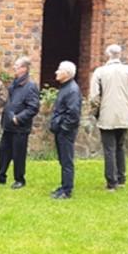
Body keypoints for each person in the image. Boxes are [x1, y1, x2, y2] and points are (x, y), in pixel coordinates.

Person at [90, 44, 128, 191]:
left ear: (108, 54)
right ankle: (121, 178)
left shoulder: (100, 72)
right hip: (124, 114)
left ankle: (111, 182)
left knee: (109, 149)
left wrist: (96, 110)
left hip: (107, 114)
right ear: (120, 55)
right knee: (120, 147)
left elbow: (94, 96)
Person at [0, 56, 40, 189]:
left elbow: (33, 108)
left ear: (24, 68)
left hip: (20, 127)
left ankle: (19, 179)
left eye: (17, 66)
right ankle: (0, 176)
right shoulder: (15, 84)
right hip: (8, 125)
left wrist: (19, 118)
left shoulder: (30, 86)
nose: (14, 68)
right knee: (3, 153)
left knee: (18, 155)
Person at [50, 61, 82, 200]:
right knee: (63, 160)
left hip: (66, 132)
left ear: (67, 73)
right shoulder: (65, 88)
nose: (56, 72)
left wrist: (63, 128)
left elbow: (73, 114)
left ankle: (67, 190)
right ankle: (63, 186)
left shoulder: (72, 90)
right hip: (61, 130)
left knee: (67, 161)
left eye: (59, 70)